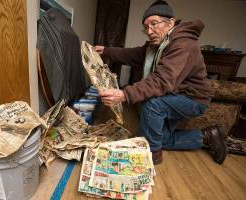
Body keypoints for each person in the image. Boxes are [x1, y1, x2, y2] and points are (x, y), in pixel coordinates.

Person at [94, 0, 227, 165]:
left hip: (192, 99)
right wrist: (107, 50)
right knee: (158, 137)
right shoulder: (156, 45)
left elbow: (161, 80)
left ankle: (152, 153)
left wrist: (125, 94)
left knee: (153, 105)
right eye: (146, 27)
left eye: (154, 24)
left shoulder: (184, 45)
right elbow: (132, 54)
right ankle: (207, 136)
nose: (149, 31)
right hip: (175, 94)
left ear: (171, 22)